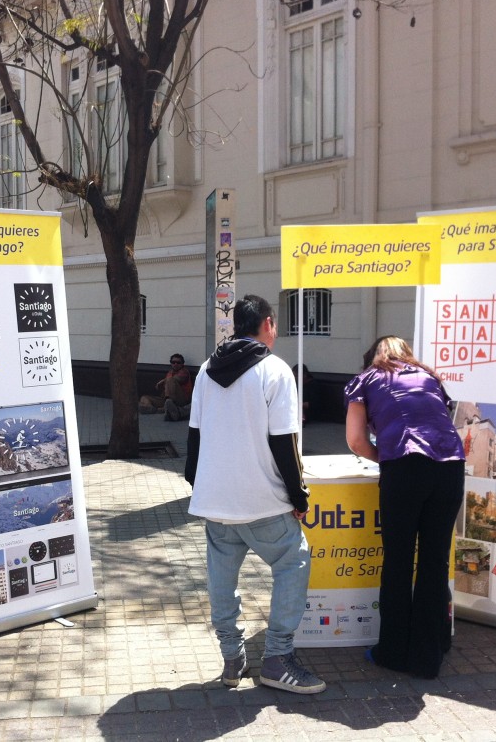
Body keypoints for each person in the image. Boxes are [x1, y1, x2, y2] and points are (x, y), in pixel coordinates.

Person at [185, 295, 326, 695]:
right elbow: (285, 443)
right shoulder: (276, 370)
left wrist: (199, 484)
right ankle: (278, 659)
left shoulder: (205, 369)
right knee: (292, 563)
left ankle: (232, 657)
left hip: (216, 500)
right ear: (266, 324)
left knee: (221, 576)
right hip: (261, 499)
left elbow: (193, 434)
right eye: (275, 325)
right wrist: (299, 497)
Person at [344, 336, 466, 679]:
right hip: (450, 466)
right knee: (434, 560)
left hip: (405, 468)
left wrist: (384, 456)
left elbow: (355, 440)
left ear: (372, 358)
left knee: (398, 560)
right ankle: (431, 652)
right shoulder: (429, 376)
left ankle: (394, 652)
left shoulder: (366, 379)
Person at [139, 353, 194, 421]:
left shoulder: (184, 372)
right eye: (173, 362)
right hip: (165, 399)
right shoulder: (169, 373)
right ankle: (155, 410)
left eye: (178, 362)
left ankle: (167, 406)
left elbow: (176, 379)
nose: (175, 364)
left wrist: (163, 381)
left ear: (182, 364)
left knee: (170, 380)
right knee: (144, 398)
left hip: (181, 400)